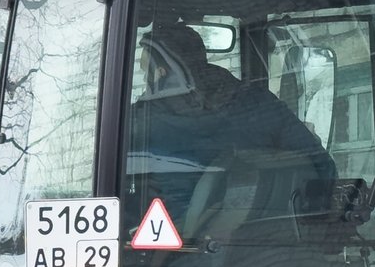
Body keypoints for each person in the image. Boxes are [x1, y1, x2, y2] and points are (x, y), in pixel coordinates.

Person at [129, 23, 336, 238]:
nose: (145, 82)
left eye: (146, 73)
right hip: (266, 245)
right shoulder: (260, 105)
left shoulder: (143, 121)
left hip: (180, 249)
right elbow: (322, 166)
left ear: (162, 74)